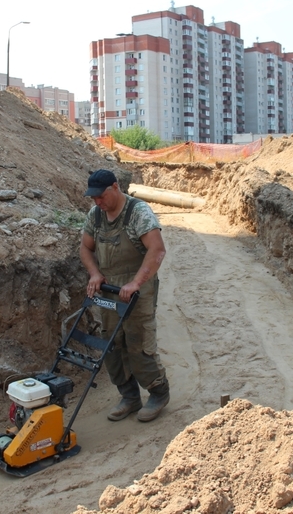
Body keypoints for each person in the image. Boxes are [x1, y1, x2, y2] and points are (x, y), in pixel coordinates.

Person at [79, 169, 170, 422]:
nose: (97, 202)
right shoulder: (96, 216)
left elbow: (157, 250)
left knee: (139, 344)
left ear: (115, 187)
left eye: (101, 196)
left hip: (137, 289)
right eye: (93, 197)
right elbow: (85, 248)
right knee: (113, 345)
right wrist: (95, 273)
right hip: (109, 290)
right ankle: (129, 397)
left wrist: (136, 283)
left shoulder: (137, 213)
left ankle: (158, 393)